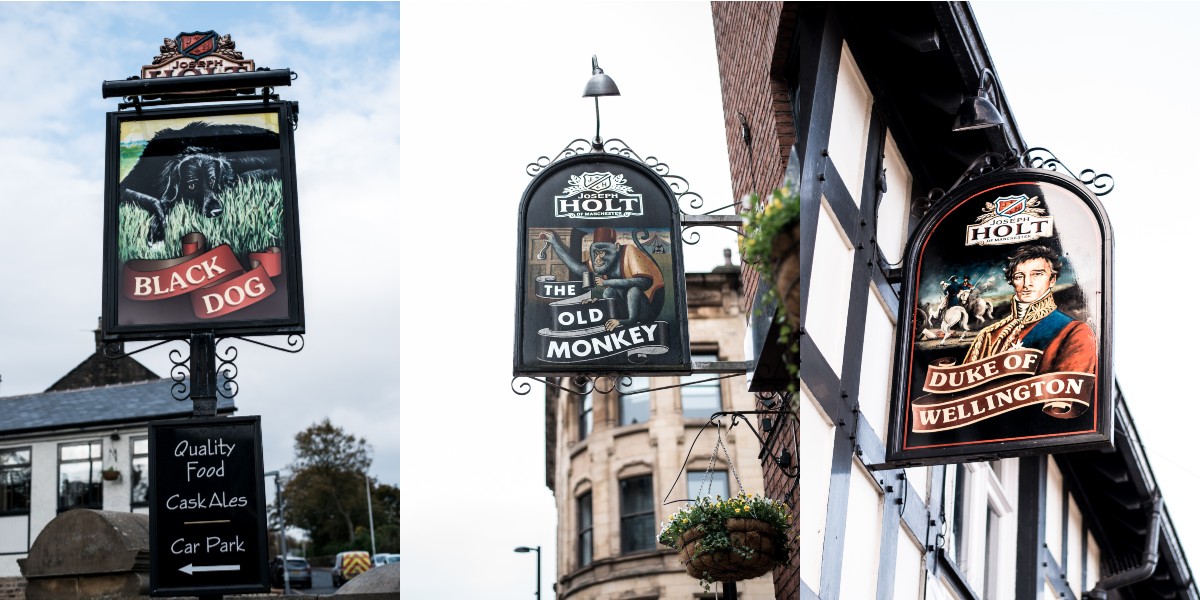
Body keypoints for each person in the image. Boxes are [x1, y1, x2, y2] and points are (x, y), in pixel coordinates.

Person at [963, 244, 1096, 375]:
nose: (1027, 284)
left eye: (1037, 274)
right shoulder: (988, 336)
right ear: (1012, 282)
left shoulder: (1074, 332)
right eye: (1019, 276)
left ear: (1052, 279)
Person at [541, 227, 665, 331]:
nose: (597, 259)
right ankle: (617, 319)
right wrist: (554, 243)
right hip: (626, 305)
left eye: (602, 252)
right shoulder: (602, 262)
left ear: (616, 247)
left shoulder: (629, 251)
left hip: (648, 307)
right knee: (608, 291)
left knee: (633, 290)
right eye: (595, 253)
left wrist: (606, 282)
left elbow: (644, 283)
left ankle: (630, 321)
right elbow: (578, 269)